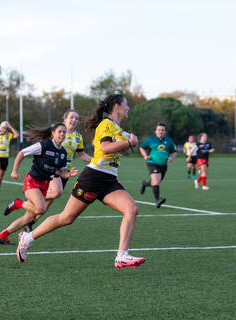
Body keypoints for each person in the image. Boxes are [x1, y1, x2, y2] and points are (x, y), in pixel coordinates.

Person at [16, 94, 145, 270]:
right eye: (126, 104)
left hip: (108, 178)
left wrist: (129, 143)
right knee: (67, 218)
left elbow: (112, 152)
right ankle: (27, 238)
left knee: (132, 209)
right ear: (116, 106)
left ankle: (122, 256)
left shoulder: (118, 128)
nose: (128, 108)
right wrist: (129, 142)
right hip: (93, 176)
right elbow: (106, 148)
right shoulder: (106, 124)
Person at [0, 122, 79, 245]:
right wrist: (14, 171)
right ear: (53, 133)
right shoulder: (44, 146)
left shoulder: (63, 153)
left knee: (28, 218)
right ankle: (19, 203)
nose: (62, 134)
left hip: (44, 185)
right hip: (32, 181)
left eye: (64, 132)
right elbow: (22, 153)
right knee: (40, 209)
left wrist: (68, 174)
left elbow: (61, 172)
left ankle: (2, 235)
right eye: (59, 131)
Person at [24, 109, 92, 232]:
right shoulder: (57, 132)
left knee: (49, 202)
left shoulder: (78, 137)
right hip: (52, 170)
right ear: (65, 119)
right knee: (56, 193)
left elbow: (81, 155)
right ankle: (33, 201)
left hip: (65, 172)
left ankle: (30, 223)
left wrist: (95, 160)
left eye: (76, 118)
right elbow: (44, 146)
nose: (74, 120)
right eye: (71, 117)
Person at [139, 123, 177, 208]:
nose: (161, 131)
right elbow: (142, 148)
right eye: (159, 130)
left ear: (165, 131)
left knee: (155, 182)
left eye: (162, 130)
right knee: (156, 181)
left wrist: (172, 157)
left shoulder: (169, 141)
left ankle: (145, 184)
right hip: (152, 162)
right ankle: (158, 200)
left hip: (163, 165)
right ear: (155, 131)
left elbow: (174, 152)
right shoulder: (150, 139)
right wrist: (145, 155)